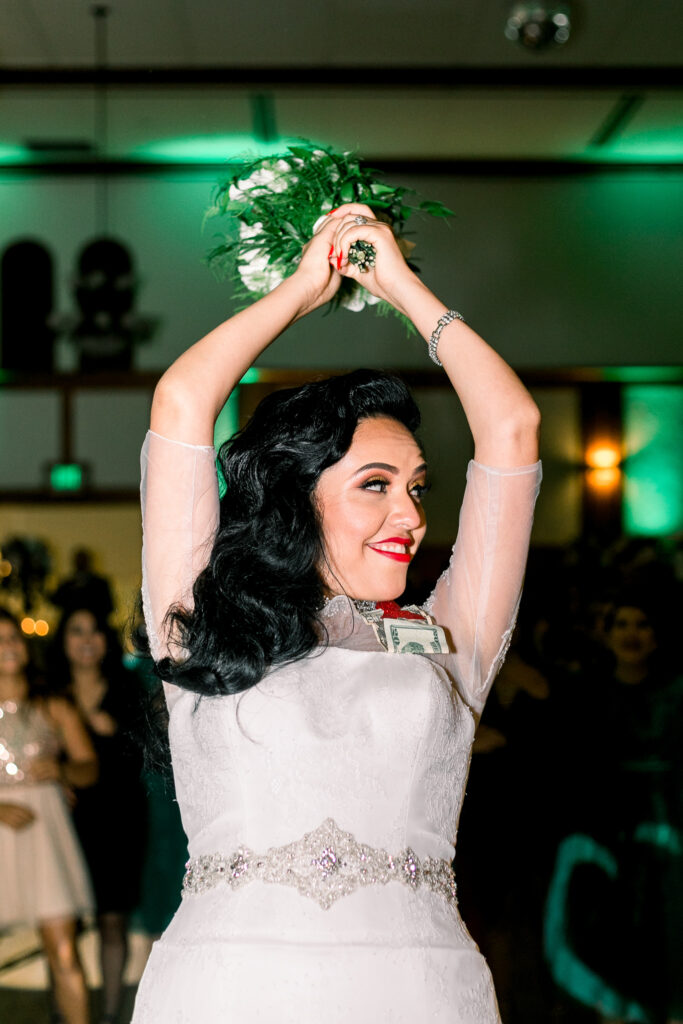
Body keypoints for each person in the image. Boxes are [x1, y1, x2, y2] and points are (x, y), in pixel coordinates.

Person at [131, 203, 541, 1023]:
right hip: (224, 990)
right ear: (296, 499)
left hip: (419, 991)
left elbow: (513, 427)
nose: (410, 516)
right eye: (375, 486)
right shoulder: (203, 617)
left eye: (417, 486)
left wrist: (402, 287)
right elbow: (182, 400)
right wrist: (300, 290)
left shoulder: (449, 636)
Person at [545, 596, 683, 1024]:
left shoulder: (676, 693)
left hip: (666, 837)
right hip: (604, 838)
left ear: (657, 635)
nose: (631, 634)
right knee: (611, 946)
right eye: (621, 624)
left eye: (641, 624)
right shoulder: (586, 693)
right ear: (607, 635)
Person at [48, 606, 148, 1024]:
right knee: (59, 925)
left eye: (94, 631)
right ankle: (66, 1010)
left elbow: (147, 754)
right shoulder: (48, 692)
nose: (86, 640)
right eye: (76, 630)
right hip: (63, 821)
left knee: (112, 922)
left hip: (117, 821)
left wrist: (117, 731)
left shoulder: (127, 688)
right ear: (63, 641)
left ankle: (109, 1012)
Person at [0, 607, 97, 1024]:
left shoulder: (53, 704)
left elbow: (89, 767)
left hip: (46, 832)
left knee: (63, 951)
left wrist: (61, 771)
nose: (9, 646)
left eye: (14, 637)